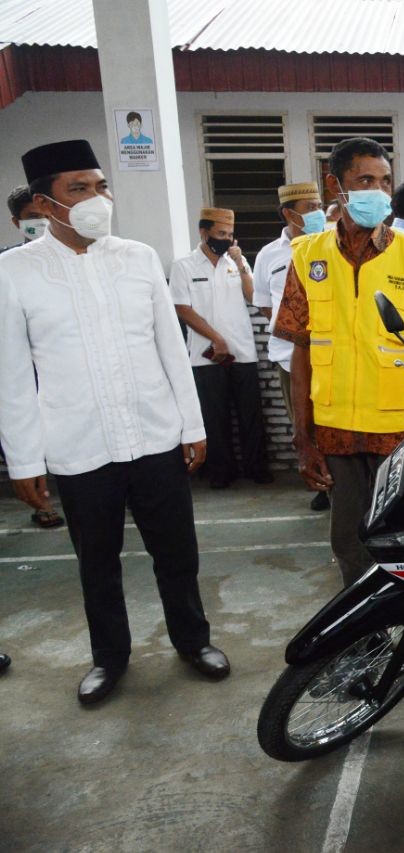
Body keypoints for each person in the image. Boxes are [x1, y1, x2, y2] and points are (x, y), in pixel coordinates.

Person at [0, 139, 229, 704]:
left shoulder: (137, 257)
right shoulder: (15, 272)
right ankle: (110, 658)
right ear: (44, 202)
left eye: (101, 186)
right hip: (80, 445)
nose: (97, 198)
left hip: (153, 434)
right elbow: (11, 375)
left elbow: (170, 349)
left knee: (177, 552)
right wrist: (25, 460)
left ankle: (193, 640)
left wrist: (191, 426)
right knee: (96, 563)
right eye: (79, 188)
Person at [273, 137, 404, 683]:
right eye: (365, 181)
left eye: (384, 181)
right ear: (336, 186)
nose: (377, 191)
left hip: (401, 435)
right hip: (337, 435)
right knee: (350, 547)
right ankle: (369, 639)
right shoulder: (308, 257)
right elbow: (301, 352)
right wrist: (303, 438)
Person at [170, 207, 271, 489]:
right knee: (215, 417)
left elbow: (253, 296)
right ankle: (220, 473)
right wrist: (215, 337)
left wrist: (240, 264)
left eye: (229, 234)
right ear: (203, 232)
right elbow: (181, 308)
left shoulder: (234, 262)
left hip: (243, 351)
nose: (226, 239)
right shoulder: (184, 266)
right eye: (220, 234)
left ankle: (257, 469)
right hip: (206, 355)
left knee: (250, 415)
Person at [252, 181, 329, 511]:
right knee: (302, 420)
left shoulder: (331, 244)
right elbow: (265, 304)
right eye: (309, 208)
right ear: (288, 214)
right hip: (288, 355)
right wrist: (293, 329)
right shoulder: (269, 254)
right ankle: (319, 482)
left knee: (331, 421)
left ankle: (336, 482)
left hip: (329, 352)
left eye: (318, 205)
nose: (318, 213)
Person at [4, 184, 65, 529]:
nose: (40, 223)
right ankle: (44, 503)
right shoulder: (8, 267)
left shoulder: (74, 259)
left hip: (62, 368)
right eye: (31, 219)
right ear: (17, 222)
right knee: (31, 434)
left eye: (44, 215)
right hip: (24, 370)